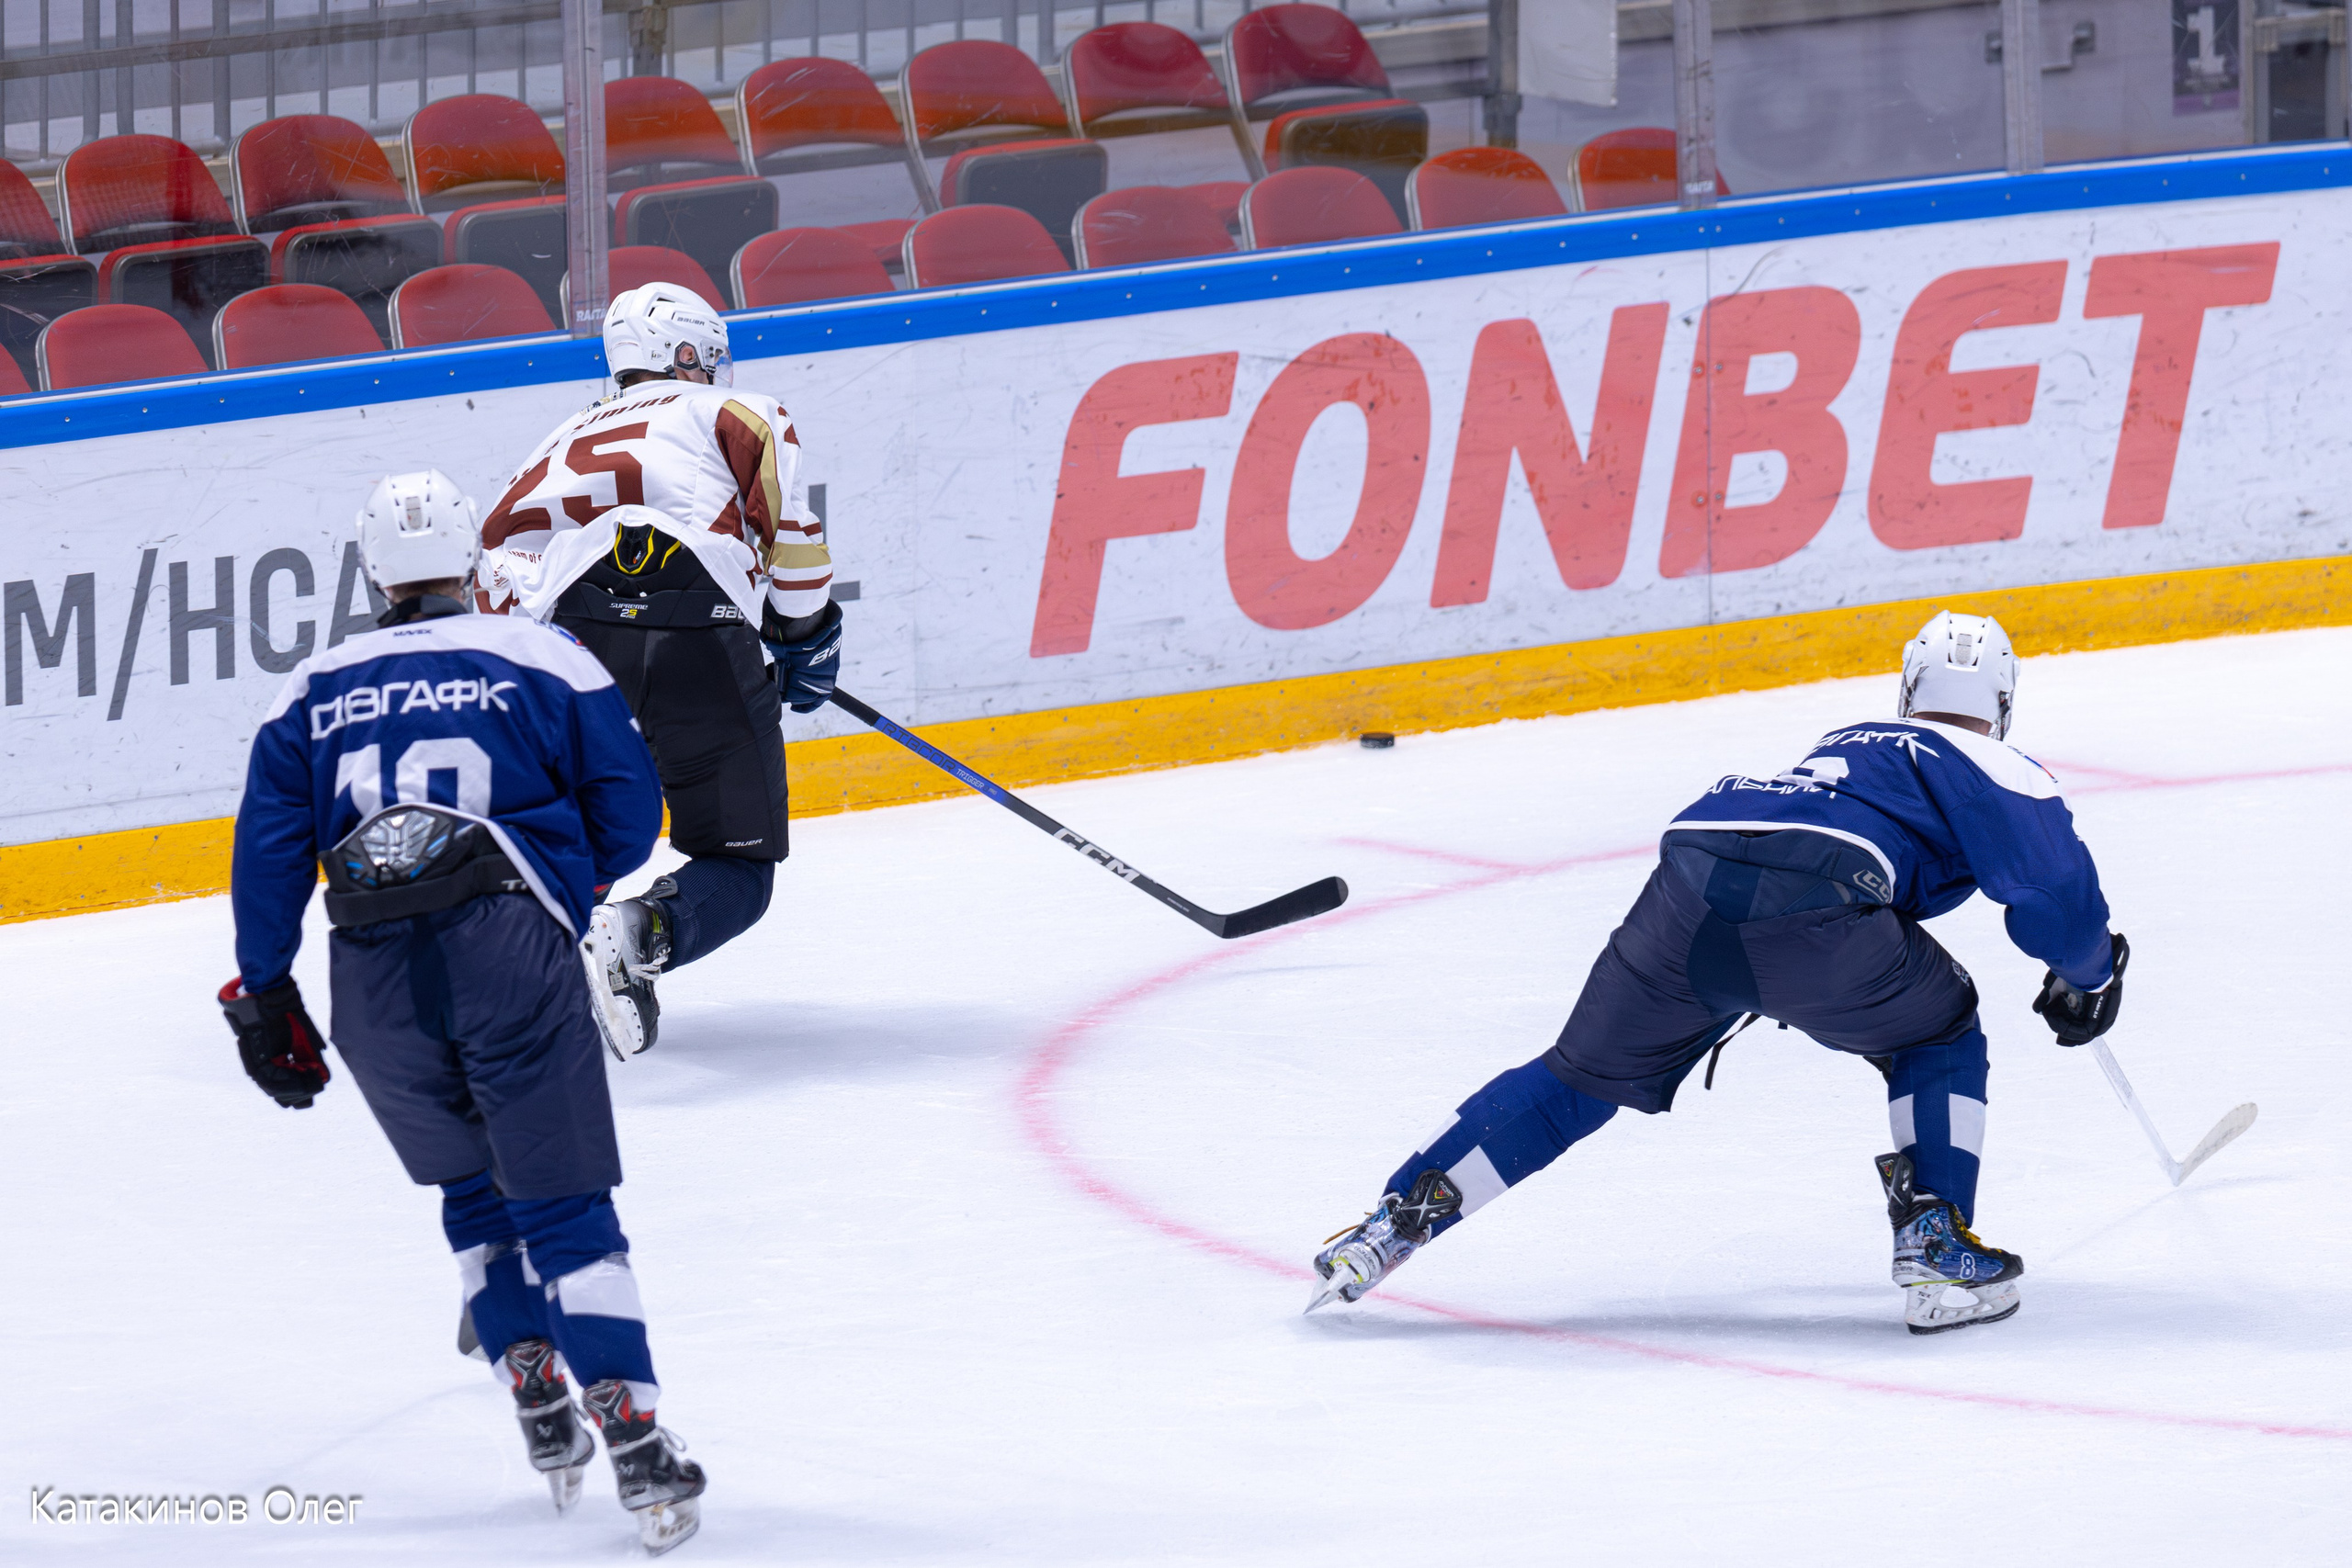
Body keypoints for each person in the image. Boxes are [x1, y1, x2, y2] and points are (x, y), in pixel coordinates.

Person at [1306, 612, 2128, 1336]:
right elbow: (2056, 892)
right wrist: (2088, 975)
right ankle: (1934, 1243)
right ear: (2006, 705)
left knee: (1576, 1079)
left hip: (1693, 882)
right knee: (1939, 1028)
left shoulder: (1849, 742)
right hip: (1817, 907)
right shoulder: (1991, 760)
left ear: (1907, 689)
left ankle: (1389, 1224)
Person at [220, 470, 708, 1553]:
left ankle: (534, 1389)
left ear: (371, 572)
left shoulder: (307, 687)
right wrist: (561, 884)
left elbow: (264, 862)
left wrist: (266, 991)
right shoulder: (541, 655)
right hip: (508, 946)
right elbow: (632, 813)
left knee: (471, 1194)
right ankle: (630, 1433)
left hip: (370, 970)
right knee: (565, 1204)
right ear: (472, 562)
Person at [479, 282, 840, 1058]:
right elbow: (795, 540)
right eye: (710, 359)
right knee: (737, 865)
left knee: (576, 835)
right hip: (697, 626)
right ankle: (637, 933)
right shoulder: (737, 414)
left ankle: (514, 981)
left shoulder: (554, 440)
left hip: (569, 648)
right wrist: (806, 638)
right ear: (686, 356)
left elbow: (492, 571)